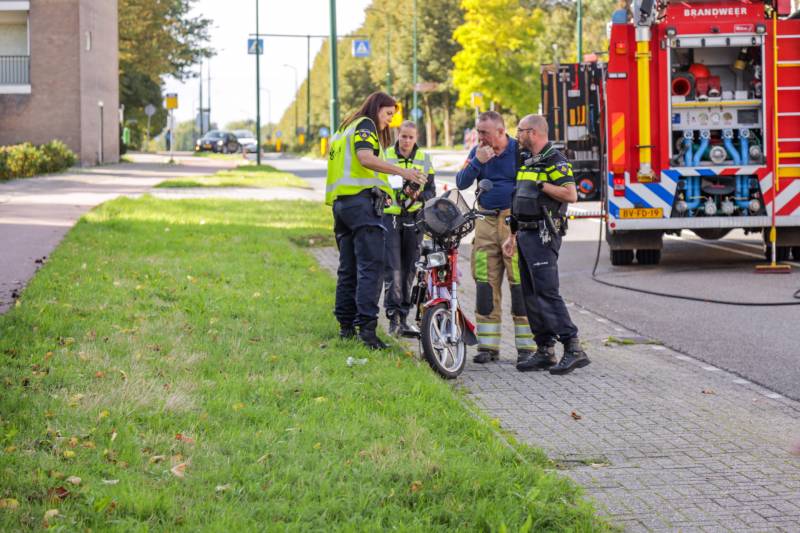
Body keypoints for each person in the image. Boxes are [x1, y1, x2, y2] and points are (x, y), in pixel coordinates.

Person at [326, 92, 427, 349]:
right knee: (371, 268)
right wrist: (404, 171)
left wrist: (384, 193)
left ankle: (346, 326)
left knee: (347, 268)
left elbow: (355, 169)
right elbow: (365, 158)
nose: (391, 121)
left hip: (343, 206)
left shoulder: (344, 128)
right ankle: (368, 331)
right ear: (376, 108)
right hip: (361, 207)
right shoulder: (365, 125)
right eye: (388, 114)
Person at [502, 114, 590, 375]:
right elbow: (521, 200)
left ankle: (573, 347)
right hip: (525, 234)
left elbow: (570, 194)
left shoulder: (555, 160)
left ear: (534, 133)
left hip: (543, 235)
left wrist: (543, 184)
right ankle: (544, 350)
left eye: (520, 131)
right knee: (530, 295)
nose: (517, 135)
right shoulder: (527, 159)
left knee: (547, 293)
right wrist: (512, 235)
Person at [456, 111, 535, 365]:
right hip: (485, 222)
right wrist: (477, 161)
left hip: (514, 222)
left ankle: (527, 348)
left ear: (501, 132)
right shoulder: (478, 151)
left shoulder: (518, 152)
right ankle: (488, 347)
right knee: (484, 284)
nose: (479, 136)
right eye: (478, 132)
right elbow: (461, 181)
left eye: (484, 132)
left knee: (520, 283)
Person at [382, 121, 437, 336]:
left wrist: (418, 196)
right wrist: (385, 195)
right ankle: (393, 318)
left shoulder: (424, 158)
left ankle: (404, 317)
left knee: (409, 270)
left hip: (414, 219)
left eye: (410, 137)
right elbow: (377, 183)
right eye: (403, 136)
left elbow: (431, 191)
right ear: (397, 134)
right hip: (392, 218)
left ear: (416, 138)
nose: (406, 141)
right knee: (393, 269)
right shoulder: (386, 155)